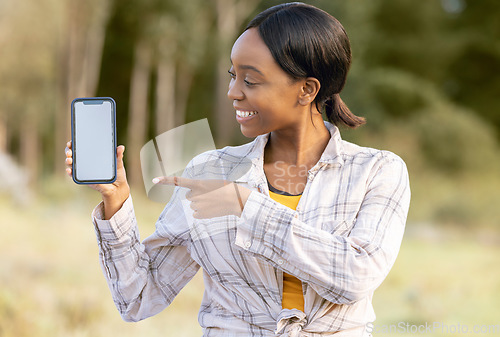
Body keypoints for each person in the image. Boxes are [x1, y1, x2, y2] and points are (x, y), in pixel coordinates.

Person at [65, 3, 410, 336]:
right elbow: (138, 298)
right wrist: (117, 201)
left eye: (251, 81)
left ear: (307, 89)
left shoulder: (377, 171)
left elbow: (356, 276)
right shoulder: (209, 171)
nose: (233, 92)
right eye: (233, 76)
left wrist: (247, 206)